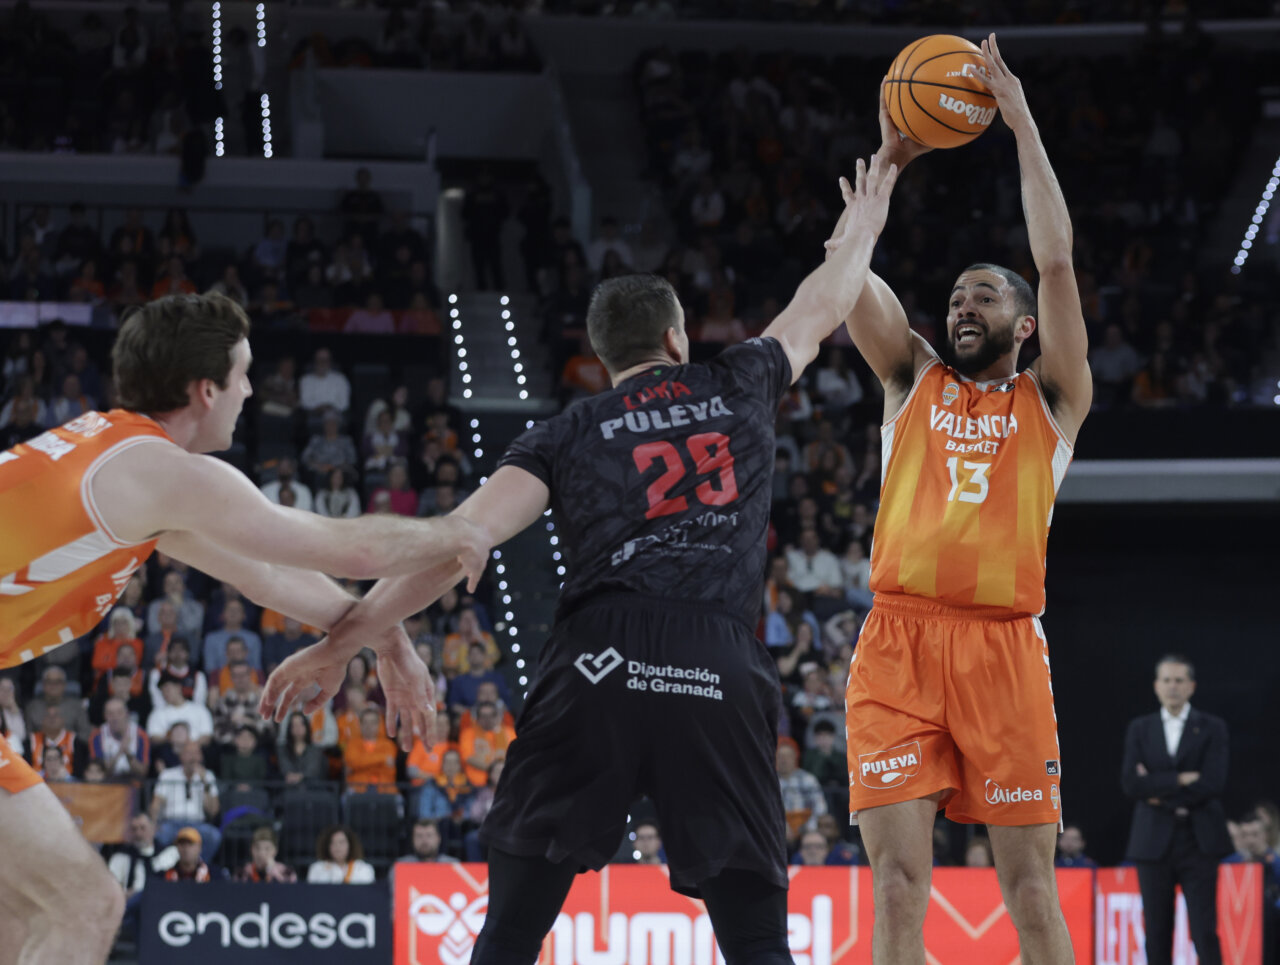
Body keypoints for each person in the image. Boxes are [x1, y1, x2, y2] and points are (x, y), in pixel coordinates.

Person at [263, 153, 899, 965]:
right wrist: (862, 227)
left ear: (603, 357)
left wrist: (344, 640)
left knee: (511, 933)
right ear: (675, 336)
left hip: (600, 654)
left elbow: (462, 539)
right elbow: (823, 303)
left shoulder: (567, 429)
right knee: (755, 943)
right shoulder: (740, 382)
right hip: (718, 659)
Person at [0, 291, 485, 960]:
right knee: (85, 907)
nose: (251, 390)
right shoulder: (161, 470)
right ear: (205, 389)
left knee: (27, 921)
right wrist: (461, 528)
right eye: (244, 373)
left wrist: (389, 640)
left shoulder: (125, 461)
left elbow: (268, 576)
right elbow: (347, 547)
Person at [838, 39, 1095, 965]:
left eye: (983, 296)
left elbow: (1057, 262)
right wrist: (888, 173)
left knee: (1030, 889)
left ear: (1024, 326)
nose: (962, 305)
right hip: (899, 643)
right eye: (954, 295)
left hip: (1004, 649)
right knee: (900, 886)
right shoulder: (910, 376)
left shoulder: (1054, 400)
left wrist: (1020, 122)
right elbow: (844, 283)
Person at [1122, 654, 1230, 965]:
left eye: (1179, 680)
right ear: (1156, 686)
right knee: (1156, 932)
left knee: (1204, 931)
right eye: (1167, 680)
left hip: (1199, 842)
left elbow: (1213, 782)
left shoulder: (1212, 727)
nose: (1173, 687)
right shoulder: (1140, 728)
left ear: (1191, 686)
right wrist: (1180, 779)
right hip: (1153, 842)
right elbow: (1130, 783)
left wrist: (1157, 789)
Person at [152, 741, 222, 864]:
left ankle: (198, 867)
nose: (193, 757)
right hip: (172, 823)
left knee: (214, 836)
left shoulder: (208, 776)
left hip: (197, 824)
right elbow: (156, 803)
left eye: (196, 753)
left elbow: (214, 810)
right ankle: (167, 868)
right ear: (181, 756)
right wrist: (153, 823)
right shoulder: (168, 775)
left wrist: (204, 783)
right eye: (189, 753)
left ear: (201, 757)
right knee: (159, 835)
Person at [90, 697, 150, 779]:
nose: (115, 717)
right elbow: (97, 773)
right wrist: (119, 752)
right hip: (107, 784)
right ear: (105, 716)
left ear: (127, 714)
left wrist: (127, 753)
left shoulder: (140, 734)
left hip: (133, 785)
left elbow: (143, 772)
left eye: (119, 712)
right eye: (110, 714)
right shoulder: (97, 736)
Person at [308, 825, 375, 883]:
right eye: (333, 843)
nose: (337, 846)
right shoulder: (317, 869)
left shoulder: (363, 869)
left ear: (350, 845)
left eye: (341, 842)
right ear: (327, 846)